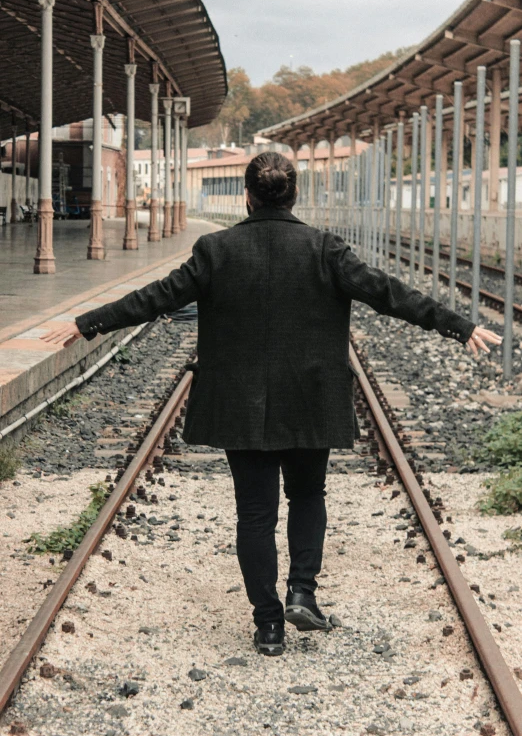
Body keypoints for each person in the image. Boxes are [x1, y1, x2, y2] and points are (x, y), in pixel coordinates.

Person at [41, 151, 502, 657]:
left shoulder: (216, 249)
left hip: (240, 405)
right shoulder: (325, 249)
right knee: (308, 495)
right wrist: (460, 327)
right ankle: (302, 592)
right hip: (310, 399)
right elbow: (389, 294)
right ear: (295, 194)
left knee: (254, 513)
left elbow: (155, 298)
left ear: (247, 195)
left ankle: (268, 626)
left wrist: (87, 323)